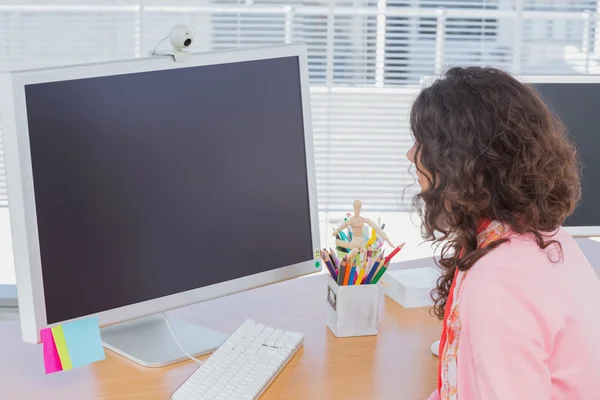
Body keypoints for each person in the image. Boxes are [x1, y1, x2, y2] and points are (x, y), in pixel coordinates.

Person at [407, 67, 600, 400]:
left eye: (422, 144)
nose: (411, 156)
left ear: (459, 165)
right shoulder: (551, 241)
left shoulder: (498, 284)